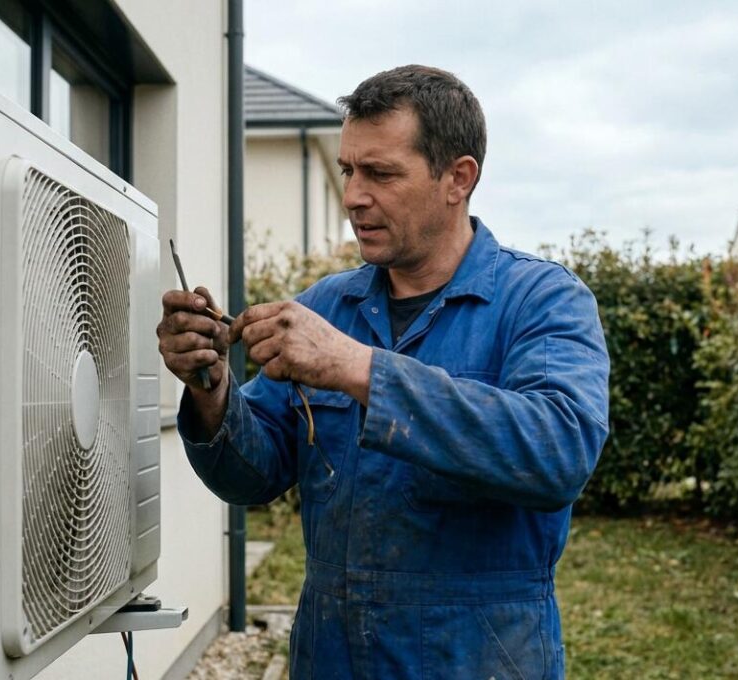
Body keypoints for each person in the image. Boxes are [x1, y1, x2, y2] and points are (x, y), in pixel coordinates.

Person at [157, 64, 609, 679]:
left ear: (458, 178)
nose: (353, 196)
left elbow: (557, 452)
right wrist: (210, 387)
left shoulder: (541, 300)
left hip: (476, 660)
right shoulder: (328, 305)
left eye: (381, 173)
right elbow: (253, 475)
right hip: (331, 657)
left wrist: (356, 367)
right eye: (348, 170)